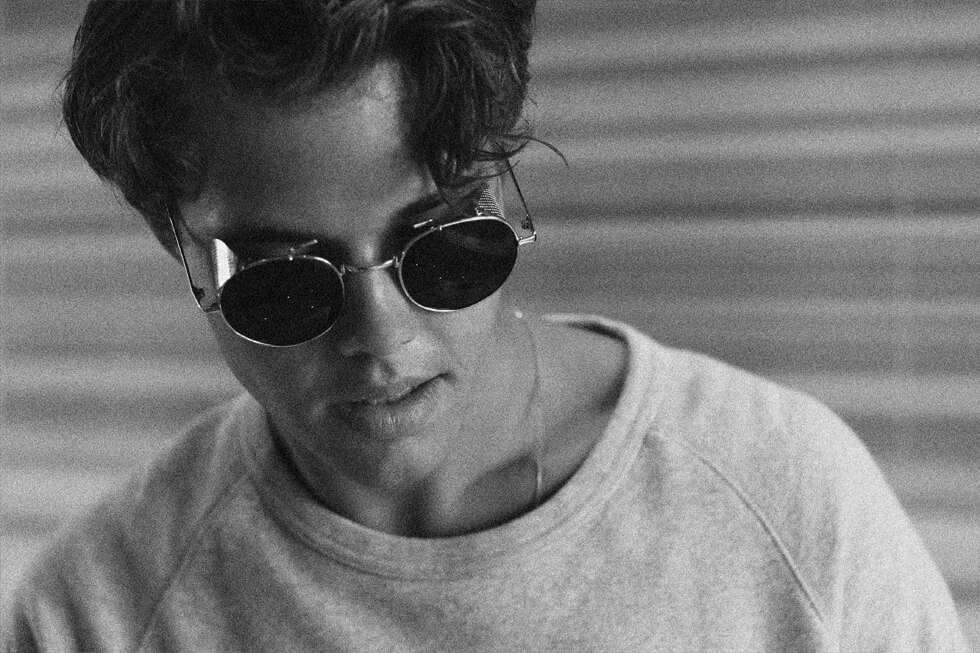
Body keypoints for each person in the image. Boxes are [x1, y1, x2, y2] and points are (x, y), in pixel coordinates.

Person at [3, 1, 967, 651]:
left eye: (441, 246)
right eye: (286, 283)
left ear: (501, 189)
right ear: (175, 243)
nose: (383, 340)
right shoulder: (95, 611)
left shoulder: (788, 503)